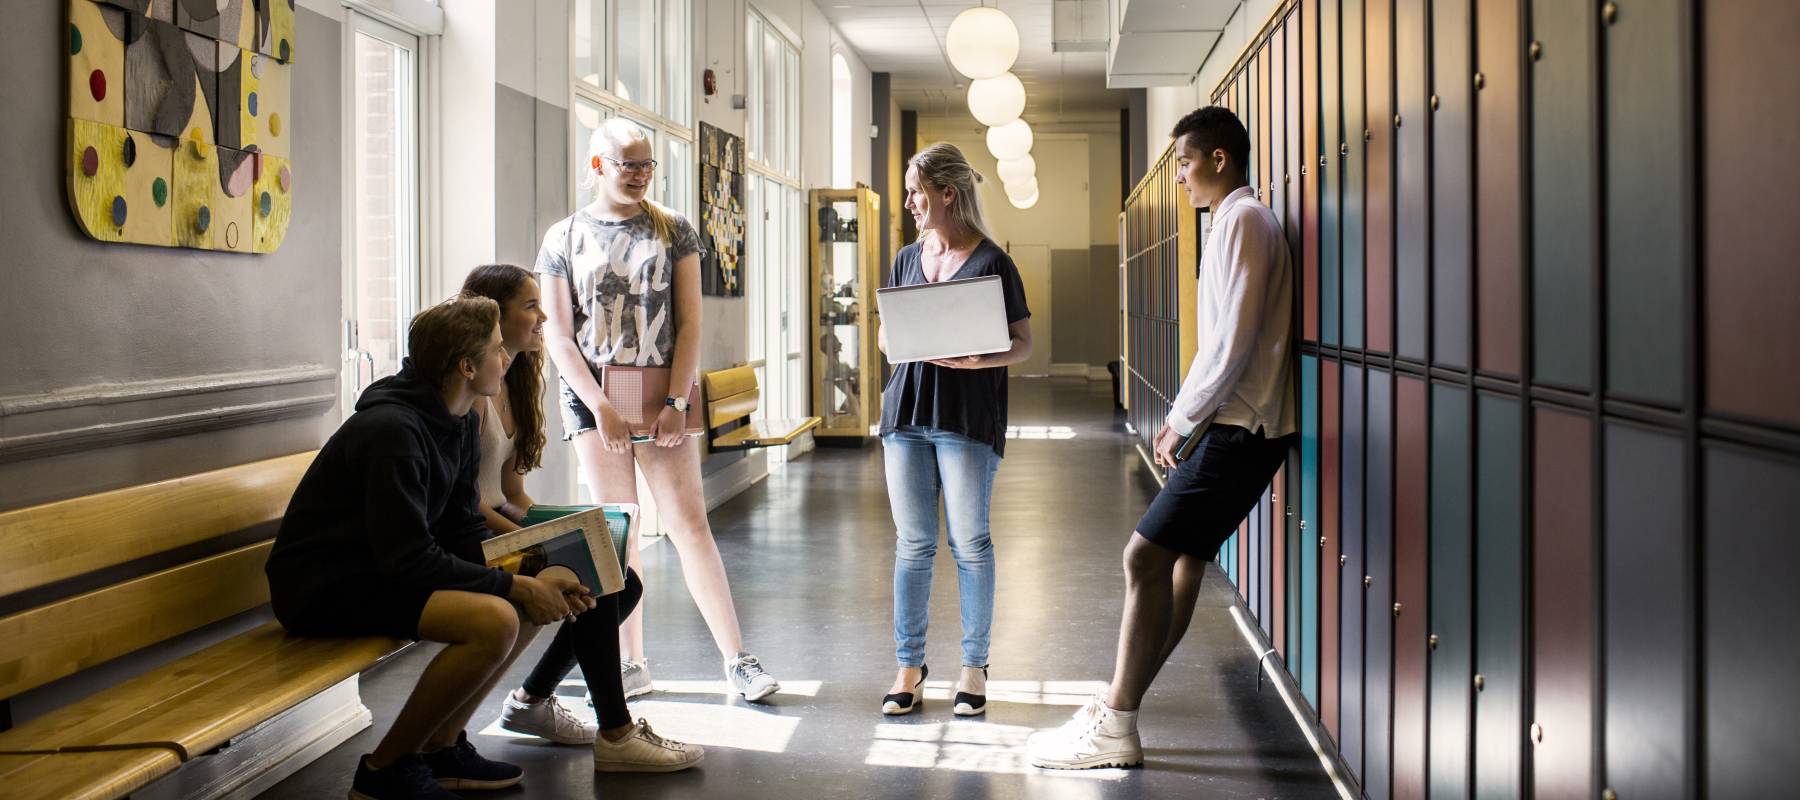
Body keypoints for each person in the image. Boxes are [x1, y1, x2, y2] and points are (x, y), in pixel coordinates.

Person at [1026, 106, 1297, 769]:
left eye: (1183, 160)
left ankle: (1118, 720)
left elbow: (1231, 343)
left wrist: (1180, 416)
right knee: (1180, 561)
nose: (1178, 175)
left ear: (1219, 159)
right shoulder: (1237, 222)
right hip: (1237, 426)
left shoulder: (1242, 222)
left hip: (1242, 429)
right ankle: (1120, 707)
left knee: (1141, 557)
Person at [266, 297, 593, 800]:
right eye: (498, 350)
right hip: (323, 586)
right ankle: (385, 770)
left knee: (525, 602)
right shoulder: (393, 431)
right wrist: (515, 583)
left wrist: (534, 570)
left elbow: (461, 527)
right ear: (467, 366)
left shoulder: (457, 419)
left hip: (377, 570)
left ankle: (441, 748)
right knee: (498, 616)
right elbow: (409, 558)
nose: (507, 358)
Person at [537, 118, 780, 702]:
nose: (641, 175)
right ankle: (631, 663)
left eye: (648, 165)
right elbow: (559, 337)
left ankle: (737, 659)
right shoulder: (563, 237)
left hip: (662, 390)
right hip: (594, 398)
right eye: (629, 165)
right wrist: (599, 406)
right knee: (621, 531)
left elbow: (691, 323)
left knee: (690, 525)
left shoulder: (675, 230)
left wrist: (675, 401)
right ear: (598, 166)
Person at [460, 265, 702, 772]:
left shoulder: (514, 377)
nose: (544, 316)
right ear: (495, 314)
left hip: (493, 524)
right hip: (468, 535)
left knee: (621, 580)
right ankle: (616, 733)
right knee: (598, 577)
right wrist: (546, 543)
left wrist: (559, 527)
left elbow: (509, 491)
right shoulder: (472, 389)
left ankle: (531, 703)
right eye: (531, 306)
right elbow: (465, 504)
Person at [876, 143, 1033, 716]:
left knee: (969, 543)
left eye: (918, 193)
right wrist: (897, 338)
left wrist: (978, 361)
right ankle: (909, 667)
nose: (911, 204)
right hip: (906, 415)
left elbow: (1023, 343)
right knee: (912, 545)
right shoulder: (904, 258)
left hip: (966, 418)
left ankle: (974, 667)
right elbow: (885, 338)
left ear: (948, 193)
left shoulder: (993, 261)